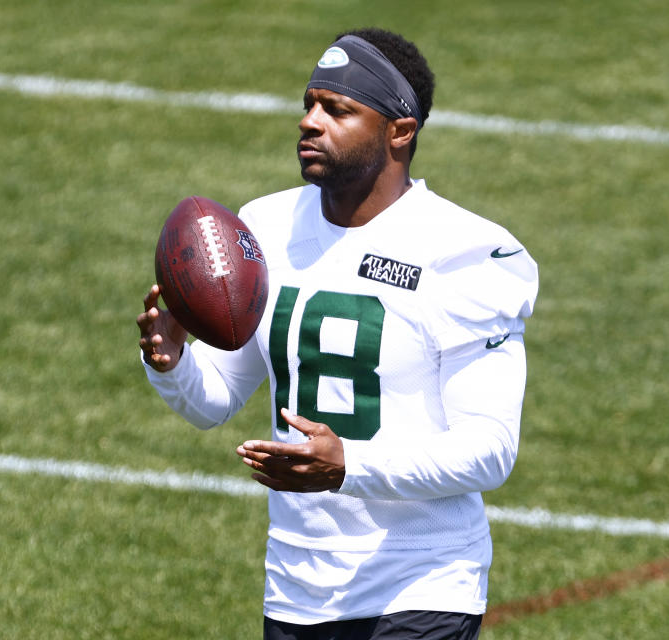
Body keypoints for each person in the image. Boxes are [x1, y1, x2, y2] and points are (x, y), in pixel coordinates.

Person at [137, 27, 537, 640]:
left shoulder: (466, 253)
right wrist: (172, 363)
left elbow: (488, 449)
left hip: (420, 584)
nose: (310, 121)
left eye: (338, 109)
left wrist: (349, 464)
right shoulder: (265, 226)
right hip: (297, 587)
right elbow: (215, 402)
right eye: (309, 103)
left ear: (400, 131)